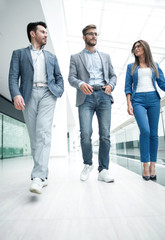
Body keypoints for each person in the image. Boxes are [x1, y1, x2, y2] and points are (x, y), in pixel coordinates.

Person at [9, 21, 64, 193]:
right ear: (33, 34)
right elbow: (13, 77)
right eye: (42, 32)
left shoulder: (51, 57)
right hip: (28, 94)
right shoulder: (18, 54)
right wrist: (16, 94)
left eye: (46, 32)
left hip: (48, 93)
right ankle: (43, 175)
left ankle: (37, 177)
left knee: (43, 133)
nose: (46, 35)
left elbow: (59, 77)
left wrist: (58, 91)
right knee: (34, 137)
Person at [68, 24, 117, 183]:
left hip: (104, 95)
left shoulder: (105, 56)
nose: (94, 36)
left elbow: (113, 76)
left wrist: (111, 85)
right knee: (86, 134)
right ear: (84, 37)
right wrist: (81, 84)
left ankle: (103, 170)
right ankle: (88, 164)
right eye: (90, 34)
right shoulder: (75, 57)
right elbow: (71, 77)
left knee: (105, 135)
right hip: (85, 96)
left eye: (96, 34)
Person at [125, 40, 165, 181]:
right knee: (145, 131)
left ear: (145, 48)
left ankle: (153, 165)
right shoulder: (131, 67)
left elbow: (162, 83)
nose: (136, 49)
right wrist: (129, 103)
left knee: (154, 134)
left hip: (154, 99)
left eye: (139, 46)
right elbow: (128, 87)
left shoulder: (155, 66)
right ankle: (145, 165)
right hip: (138, 101)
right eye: (134, 47)